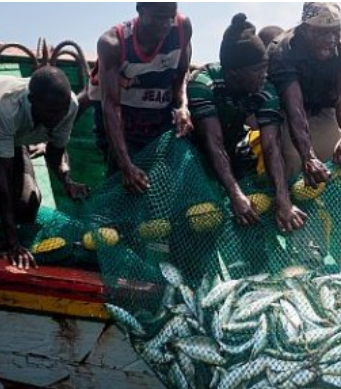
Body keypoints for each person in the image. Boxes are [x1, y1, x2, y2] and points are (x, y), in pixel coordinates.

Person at [188, 14, 306, 232]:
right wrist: (235, 194)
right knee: (198, 222)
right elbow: (213, 144)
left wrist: (283, 199)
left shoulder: (265, 89)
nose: (264, 75)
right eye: (257, 70)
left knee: (251, 215)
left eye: (265, 68)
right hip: (194, 156)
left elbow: (271, 147)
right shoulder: (203, 83)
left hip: (235, 150)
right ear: (233, 72)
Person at [90, 2, 193, 194]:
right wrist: (125, 165)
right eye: (159, 17)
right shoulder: (113, 43)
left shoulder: (181, 27)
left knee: (162, 184)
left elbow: (181, 73)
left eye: (170, 17)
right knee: (125, 184)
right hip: (123, 121)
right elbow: (111, 107)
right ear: (140, 10)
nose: (166, 25)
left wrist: (182, 105)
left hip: (157, 115)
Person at [0, 68, 89, 268]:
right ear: (32, 100)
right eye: (52, 111)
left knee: (28, 201)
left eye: (62, 110)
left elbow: (55, 153)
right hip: (3, 130)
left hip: (14, 139)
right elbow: (3, 178)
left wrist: (67, 181)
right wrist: (13, 242)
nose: (59, 117)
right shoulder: (7, 108)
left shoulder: (70, 105)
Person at [268, 2, 341, 188]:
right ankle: (289, 210)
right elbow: (295, 109)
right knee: (295, 159)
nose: (330, 39)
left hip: (326, 109)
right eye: (322, 32)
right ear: (305, 29)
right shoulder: (283, 50)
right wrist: (307, 156)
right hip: (289, 113)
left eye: (335, 31)